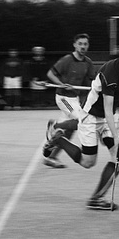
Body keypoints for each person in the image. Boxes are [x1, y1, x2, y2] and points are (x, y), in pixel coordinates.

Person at [42, 41, 119, 210]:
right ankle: (58, 139)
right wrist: (117, 135)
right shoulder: (110, 71)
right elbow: (106, 106)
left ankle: (96, 199)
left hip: (111, 116)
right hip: (91, 117)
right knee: (88, 162)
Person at [42, 34, 97, 168]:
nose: (83, 46)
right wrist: (60, 83)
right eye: (80, 43)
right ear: (75, 45)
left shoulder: (87, 62)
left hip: (74, 99)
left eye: (85, 44)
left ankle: (52, 157)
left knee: (69, 131)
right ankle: (54, 126)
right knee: (80, 120)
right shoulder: (67, 59)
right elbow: (50, 74)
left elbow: (92, 80)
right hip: (63, 98)